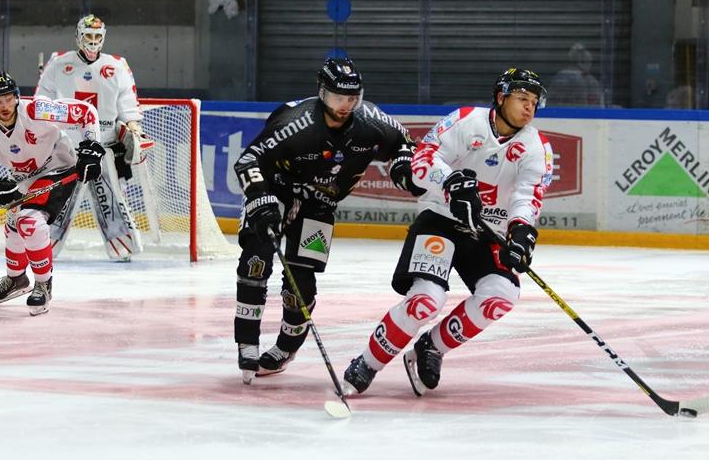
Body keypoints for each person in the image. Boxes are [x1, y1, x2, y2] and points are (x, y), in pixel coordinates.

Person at [342, 68, 554, 396]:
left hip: (486, 230)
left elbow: (527, 196)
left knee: (501, 295)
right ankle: (368, 363)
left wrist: (521, 231)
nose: (530, 107)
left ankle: (431, 347)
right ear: (501, 97)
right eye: (522, 98)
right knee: (426, 300)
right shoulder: (466, 120)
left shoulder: (537, 146)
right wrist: (451, 182)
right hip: (440, 219)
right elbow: (422, 160)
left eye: (534, 102)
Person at [233, 57, 424, 384]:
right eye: (338, 97)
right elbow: (249, 160)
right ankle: (247, 342)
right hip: (276, 191)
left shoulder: (371, 121)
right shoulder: (296, 122)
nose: (345, 105)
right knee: (255, 260)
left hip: (319, 205)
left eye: (352, 98)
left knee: (301, 283)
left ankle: (286, 348)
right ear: (322, 93)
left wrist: (404, 168)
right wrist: (260, 200)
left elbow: (404, 144)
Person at [0, 71, 105, 315]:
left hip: (58, 167)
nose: (4, 105)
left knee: (29, 221)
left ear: (16, 97)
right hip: (25, 178)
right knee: (13, 223)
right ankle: (16, 279)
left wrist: (91, 148)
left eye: (8, 98)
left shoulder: (37, 111)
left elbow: (86, 112)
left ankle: (43, 284)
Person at [36, 14, 150, 261]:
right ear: (78, 36)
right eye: (88, 35)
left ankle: (123, 247)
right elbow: (41, 101)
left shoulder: (117, 65)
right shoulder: (58, 63)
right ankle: (43, 246)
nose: (93, 40)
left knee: (111, 197)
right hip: (67, 148)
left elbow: (128, 102)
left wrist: (134, 128)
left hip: (104, 147)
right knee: (59, 197)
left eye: (98, 36)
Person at [547, 43, 604, 107]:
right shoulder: (562, 78)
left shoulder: (592, 82)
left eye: (588, 61)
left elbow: (598, 107)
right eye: (583, 61)